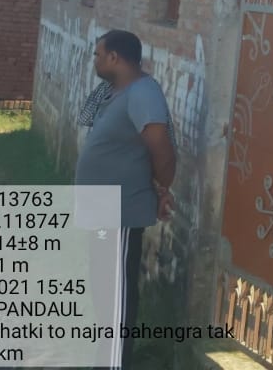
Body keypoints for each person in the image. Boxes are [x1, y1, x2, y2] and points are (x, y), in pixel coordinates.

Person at [76, 30, 177, 369]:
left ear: (114, 57)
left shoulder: (143, 93)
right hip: (102, 209)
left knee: (117, 293)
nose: (95, 60)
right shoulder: (114, 92)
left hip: (120, 210)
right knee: (104, 290)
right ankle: (105, 359)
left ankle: (115, 363)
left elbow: (160, 144)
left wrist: (163, 187)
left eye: (98, 55)